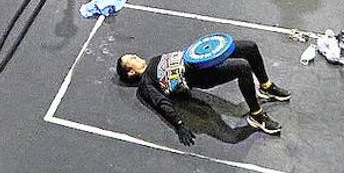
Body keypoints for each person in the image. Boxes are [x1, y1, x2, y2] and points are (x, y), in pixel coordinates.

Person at [116, 39, 292, 142]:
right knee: (243, 68)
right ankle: (256, 116)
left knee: (250, 47)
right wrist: (179, 126)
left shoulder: (154, 60)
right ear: (131, 71)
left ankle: (266, 87)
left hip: (201, 58)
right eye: (132, 58)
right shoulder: (146, 84)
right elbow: (161, 103)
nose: (136, 56)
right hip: (200, 77)